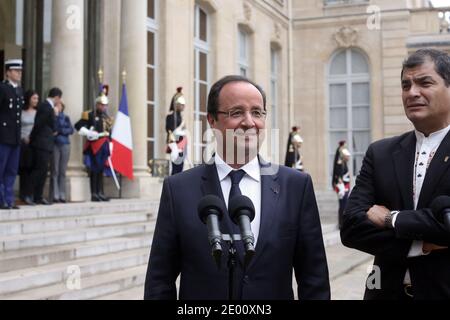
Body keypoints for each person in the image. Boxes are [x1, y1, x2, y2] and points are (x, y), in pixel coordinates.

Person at [144, 75, 330, 300]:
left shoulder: (296, 186)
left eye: (257, 112)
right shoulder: (179, 190)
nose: (250, 122)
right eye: (237, 112)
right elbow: (159, 281)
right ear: (212, 120)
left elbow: (314, 279)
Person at [341, 49, 450, 300]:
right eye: (406, 85)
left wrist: (393, 219)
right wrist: (419, 245)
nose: (412, 92)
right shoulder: (381, 153)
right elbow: (351, 228)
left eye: (424, 83)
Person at [74, 92, 113, 202]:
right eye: (101, 105)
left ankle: (101, 192)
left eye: (105, 105)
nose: (103, 107)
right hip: (95, 145)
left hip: (104, 145)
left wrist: (110, 144)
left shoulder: (107, 117)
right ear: (97, 105)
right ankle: (94, 193)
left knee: (101, 170)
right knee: (94, 170)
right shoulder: (90, 115)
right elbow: (78, 125)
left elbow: (109, 132)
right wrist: (88, 132)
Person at [29, 88, 61, 205]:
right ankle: (32, 195)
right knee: (39, 170)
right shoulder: (45, 106)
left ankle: (38, 196)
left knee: (43, 171)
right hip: (41, 143)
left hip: (46, 143)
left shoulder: (48, 107)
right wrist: (32, 138)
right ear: (57, 97)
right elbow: (38, 124)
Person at [0, 59, 24, 210]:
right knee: (1, 169)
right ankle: (1, 199)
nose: (19, 74)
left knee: (12, 170)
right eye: (16, 71)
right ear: (8, 72)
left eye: (20, 71)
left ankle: (9, 199)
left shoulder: (19, 90)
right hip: (3, 136)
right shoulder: (2, 88)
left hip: (15, 137)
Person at [49, 102, 73, 203]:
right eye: (56, 105)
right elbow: (53, 129)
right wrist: (56, 116)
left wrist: (60, 131)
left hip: (65, 144)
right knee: (55, 170)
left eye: (60, 105)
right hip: (55, 144)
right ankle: (55, 194)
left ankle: (62, 194)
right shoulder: (52, 117)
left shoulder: (66, 117)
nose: (58, 107)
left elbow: (71, 130)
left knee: (62, 171)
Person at [19, 90, 39, 205]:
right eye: (34, 98)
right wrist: (23, 138)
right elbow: (18, 127)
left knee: (33, 169)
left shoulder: (38, 112)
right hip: (24, 143)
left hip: (34, 143)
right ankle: (23, 194)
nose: (36, 101)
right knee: (24, 169)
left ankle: (30, 194)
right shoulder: (22, 112)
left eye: (37, 99)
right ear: (28, 99)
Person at [165, 87, 187, 175]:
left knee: (180, 168)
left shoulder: (181, 118)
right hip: (175, 144)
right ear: (176, 104)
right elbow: (169, 131)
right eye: (181, 105)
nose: (183, 106)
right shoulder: (170, 117)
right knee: (175, 169)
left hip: (181, 145)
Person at [331, 141, 351, 229]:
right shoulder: (340, 164)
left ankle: (342, 222)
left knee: (345, 205)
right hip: (342, 187)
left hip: (346, 186)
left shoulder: (344, 163)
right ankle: (341, 223)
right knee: (343, 205)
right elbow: (338, 177)